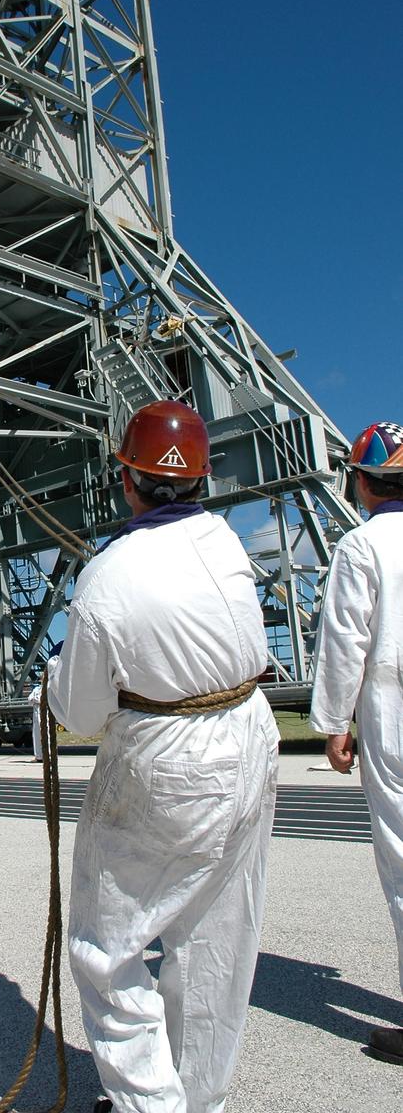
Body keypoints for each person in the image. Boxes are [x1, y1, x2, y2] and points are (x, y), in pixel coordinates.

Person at [47, 400, 279, 1113]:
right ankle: (196, 1097)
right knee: (213, 940)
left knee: (108, 948)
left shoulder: (106, 579)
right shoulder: (223, 543)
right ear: (202, 478)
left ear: (126, 479)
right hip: (250, 735)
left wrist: (53, 680)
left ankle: (149, 1105)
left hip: (169, 762)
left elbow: (81, 715)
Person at [309, 421, 403, 1066]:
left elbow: (346, 641)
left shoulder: (363, 545)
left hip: (393, 704)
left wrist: (335, 724)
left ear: (361, 481)